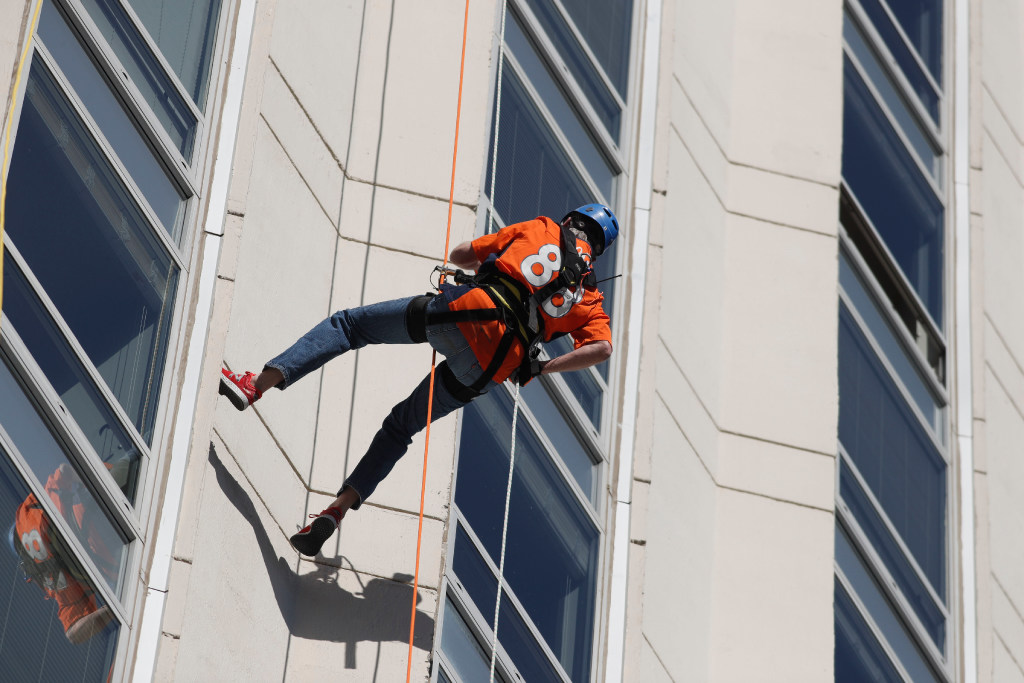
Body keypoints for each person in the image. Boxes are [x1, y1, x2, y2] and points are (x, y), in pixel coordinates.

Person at [219, 203, 619, 557]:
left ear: (572, 220)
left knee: (349, 327)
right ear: (598, 250)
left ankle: (256, 385)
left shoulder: (543, 227)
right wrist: (541, 368)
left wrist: (483, 268)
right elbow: (602, 348)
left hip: (466, 312)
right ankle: (337, 510)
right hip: (492, 367)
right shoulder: (589, 297)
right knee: (401, 427)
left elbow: (462, 254)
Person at [9, 463, 119, 644]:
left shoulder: (55, 584)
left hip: (118, 559)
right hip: (102, 509)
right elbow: (65, 470)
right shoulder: (29, 513)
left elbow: (74, 634)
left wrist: (115, 608)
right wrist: (104, 481)